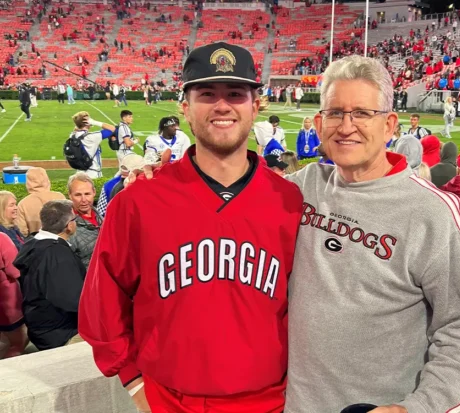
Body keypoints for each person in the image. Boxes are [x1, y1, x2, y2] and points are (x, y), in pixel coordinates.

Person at [78, 42, 303, 413]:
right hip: (170, 400)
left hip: (270, 400)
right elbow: (102, 304)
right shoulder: (139, 200)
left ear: (255, 105)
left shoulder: (291, 201)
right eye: (206, 94)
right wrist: (132, 379)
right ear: (184, 107)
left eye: (235, 93)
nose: (222, 106)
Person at [284, 55, 460, 413]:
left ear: (389, 125)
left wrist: (419, 408)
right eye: (335, 113)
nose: (346, 126)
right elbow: (233, 200)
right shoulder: (304, 185)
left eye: (362, 113)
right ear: (319, 124)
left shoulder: (432, 212)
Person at [14, 200, 86, 350]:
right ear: (69, 225)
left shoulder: (32, 244)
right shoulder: (57, 254)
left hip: (39, 327)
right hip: (62, 333)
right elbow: (71, 299)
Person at [0, 191, 28, 358]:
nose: (16, 208)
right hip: (8, 300)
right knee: (19, 340)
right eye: (11, 205)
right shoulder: (3, 236)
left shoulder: (13, 229)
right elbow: (14, 270)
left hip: (8, 299)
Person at [15, 167, 65, 237]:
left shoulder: (23, 203)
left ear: (28, 182)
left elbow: (22, 232)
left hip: (37, 244)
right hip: (61, 241)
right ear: (46, 179)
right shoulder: (60, 197)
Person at [67, 172, 103, 268]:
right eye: (78, 195)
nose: (84, 199)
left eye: (87, 194)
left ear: (94, 192)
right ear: (70, 195)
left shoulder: (102, 218)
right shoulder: (67, 226)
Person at [70, 111, 116, 179]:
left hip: (80, 173)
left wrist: (79, 123)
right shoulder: (92, 137)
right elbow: (112, 129)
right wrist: (94, 122)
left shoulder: (72, 135)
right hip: (93, 174)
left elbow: (76, 129)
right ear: (86, 122)